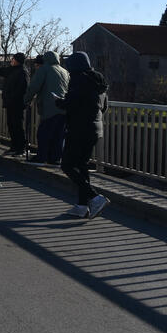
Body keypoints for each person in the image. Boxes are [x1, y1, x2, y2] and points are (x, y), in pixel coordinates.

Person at [55, 52, 110, 219]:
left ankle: (95, 197)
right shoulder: (99, 81)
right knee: (82, 165)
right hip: (95, 129)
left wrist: (59, 101)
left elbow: (71, 104)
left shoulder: (79, 80)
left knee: (67, 165)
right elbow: (103, 107)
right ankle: (82, 206)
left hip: (79, 128)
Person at [23, 51, 69, 165]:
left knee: (44, 133)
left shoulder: (44, 69)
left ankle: (41, 157)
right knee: (58, 135)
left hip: (50, 107)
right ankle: (55, 158)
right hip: (64, 107)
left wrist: (26, 100)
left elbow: (34, 87)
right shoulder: (64, 71)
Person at [0, 52, 29, 155]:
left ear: (17, 61)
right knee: (11, 125)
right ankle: (14, 146)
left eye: (13, 59)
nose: (11, 60)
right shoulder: (12, 70)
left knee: (17, 126)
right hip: (10, 103)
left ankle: (20, 148)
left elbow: (22, 89)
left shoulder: (22, 72)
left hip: (17, 103)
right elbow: (1, 71)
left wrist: (13, 98)